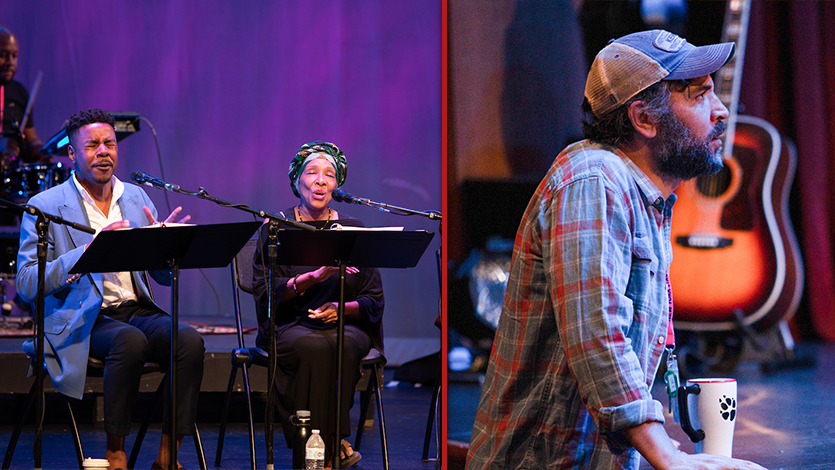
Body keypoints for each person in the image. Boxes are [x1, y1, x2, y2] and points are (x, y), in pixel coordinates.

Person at [465, 30, 767, 470]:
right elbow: (596, 331)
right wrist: (670, 458)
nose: (721, 111)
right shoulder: (593, 179)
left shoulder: (644, 197)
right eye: (700, 96)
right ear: (644, 119)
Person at [16, 108, 204, 470]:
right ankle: (116, 453)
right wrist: (86, 253)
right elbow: (26, 283)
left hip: (135, 309)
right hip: (82, 315)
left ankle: (168, 456)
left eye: (110, 143)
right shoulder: (45, 205)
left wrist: (165, 248)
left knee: (189, 341)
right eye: (92, 145)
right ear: (72, 153)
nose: (104, 151)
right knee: (128, 342)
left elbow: (163, 278)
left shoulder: (135, 197)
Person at [252, 141, 383, 469]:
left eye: (330, 174)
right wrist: (313, 276)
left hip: (347, 324)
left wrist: (342, 309)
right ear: (297, 181)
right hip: (290, 325)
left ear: (337, 184)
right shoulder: (277, 228)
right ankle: (328, 444)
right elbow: (266, 293)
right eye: (312, 173)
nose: (321, 180)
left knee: (340, 343)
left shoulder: (353, 231)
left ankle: (317, 450)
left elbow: (373, 300)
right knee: (314, 348)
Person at [0, 24, 44, 164]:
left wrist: (39, 150)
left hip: (11, 181)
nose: (10, 62)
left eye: (14, 56)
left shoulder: (19, 92)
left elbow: (31, 139)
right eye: (2, 55)